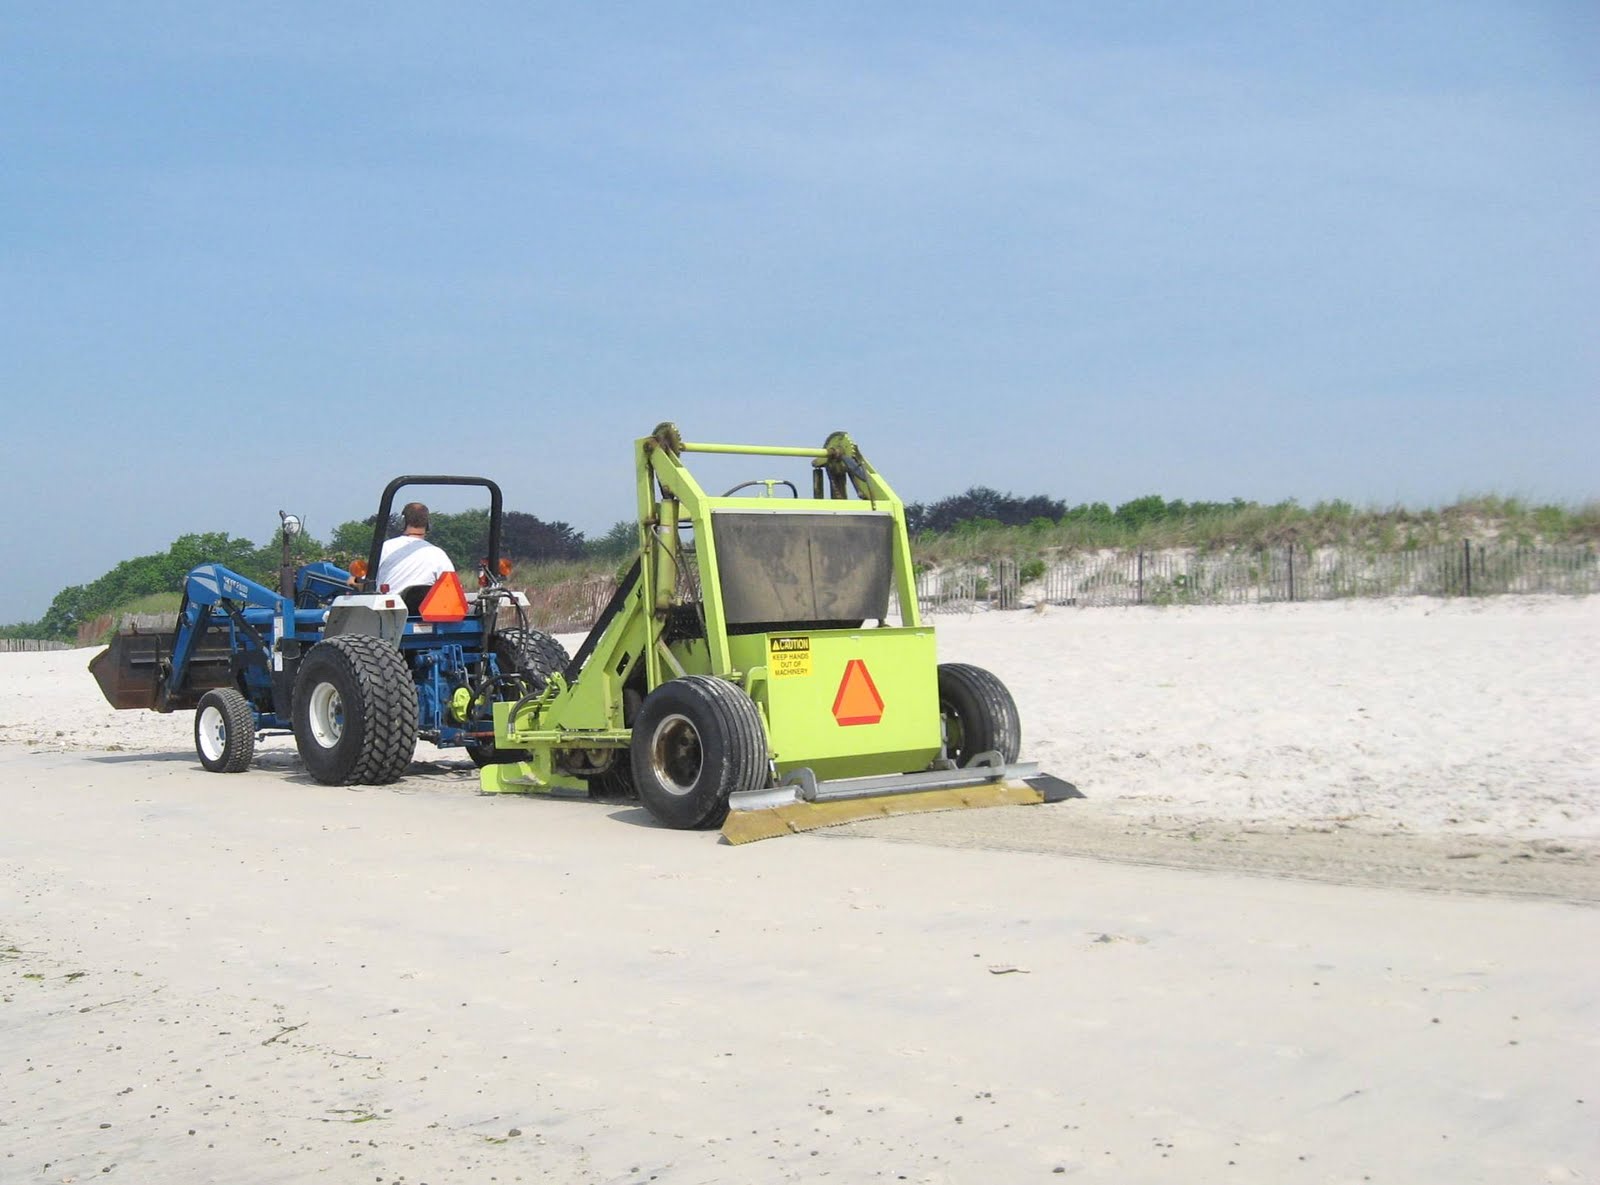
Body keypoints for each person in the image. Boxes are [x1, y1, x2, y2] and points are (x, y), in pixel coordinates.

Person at [377, 502, 455, 611]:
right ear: (428, 525)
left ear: (403, 522)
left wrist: (356, 581)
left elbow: (367, 582)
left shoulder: (385, 548)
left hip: (388, 614)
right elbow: (451, 589)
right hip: (424, 615)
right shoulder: (438, 554)